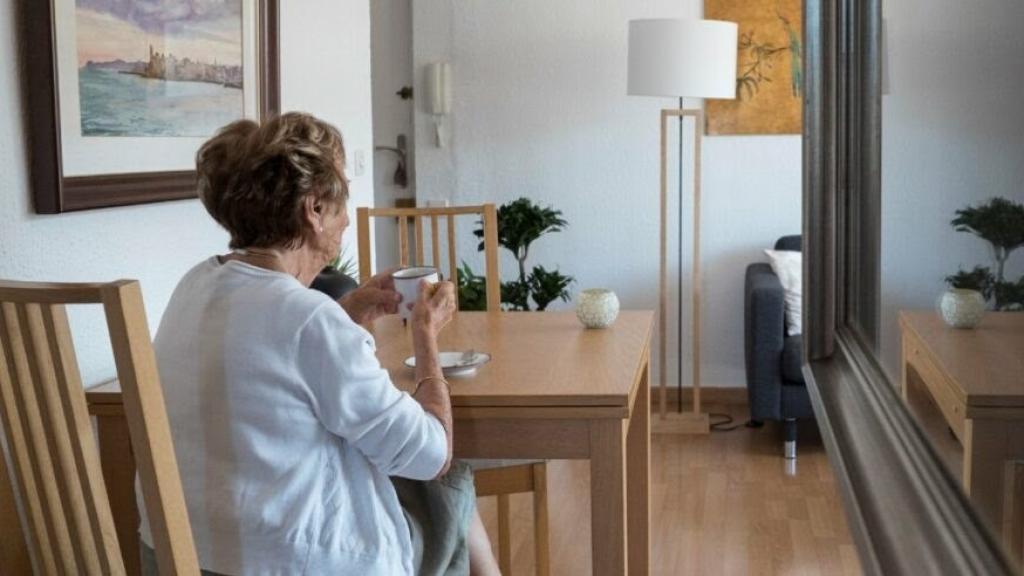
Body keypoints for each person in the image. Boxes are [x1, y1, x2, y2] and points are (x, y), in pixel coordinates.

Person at [139, 112, 500, 575]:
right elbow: (432, 453)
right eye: (342, 199)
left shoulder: (196, 283)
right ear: (313, 210)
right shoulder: (308, 320)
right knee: (446, 488)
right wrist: (425, 335)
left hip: (184, 558)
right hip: (293, 563)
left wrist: (348, 312)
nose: (347, 220)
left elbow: (273, 358)